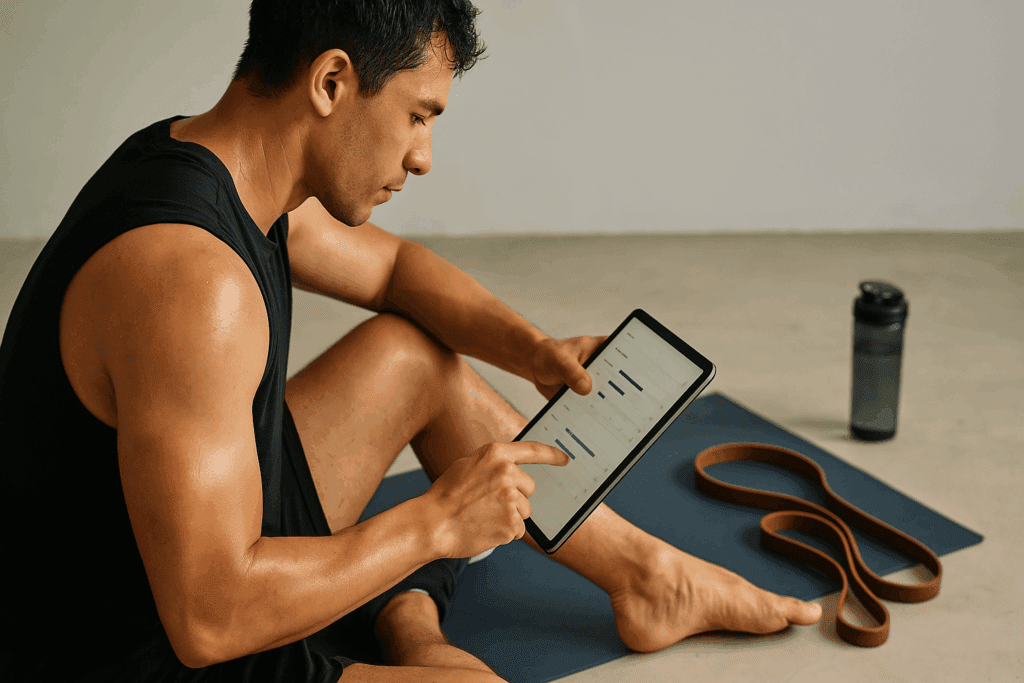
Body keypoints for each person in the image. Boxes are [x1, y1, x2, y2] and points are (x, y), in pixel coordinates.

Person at [0, 1, 822, 681]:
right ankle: (407, 618)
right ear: (332, 81)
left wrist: (532, 349)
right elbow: (210, 620)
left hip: (168, 552)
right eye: (418, 115)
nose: (423, 156)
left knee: (412, 356)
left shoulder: (210, 162)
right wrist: (431, 525)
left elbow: (395, 272)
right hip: (127, 646)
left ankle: (649, 577)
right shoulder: (194, 282)